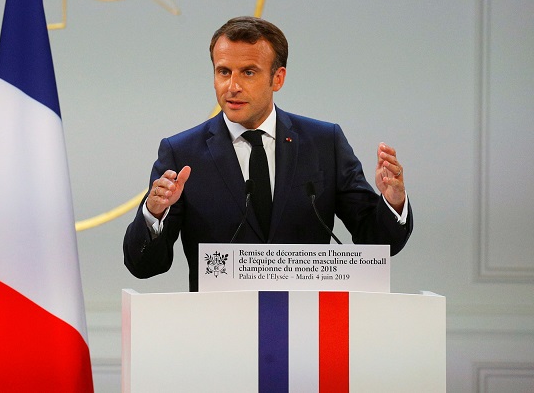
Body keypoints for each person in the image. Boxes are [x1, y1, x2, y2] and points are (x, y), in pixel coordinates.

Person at [123, 16, 412, 291]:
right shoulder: (182, 153)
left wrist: (393, 203)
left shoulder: (324, 143)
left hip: (306, 325)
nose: (232, 86)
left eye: (248, 72)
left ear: (278, 78)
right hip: (219, 327)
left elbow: (376, 243)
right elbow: (145, 266)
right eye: (224, 72)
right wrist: (154, 213)